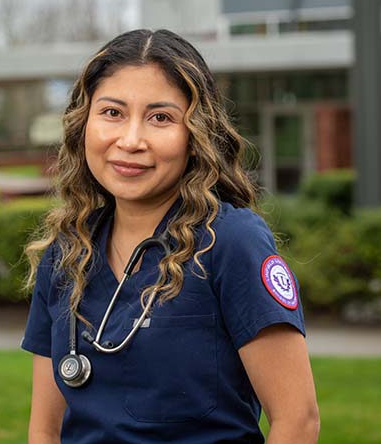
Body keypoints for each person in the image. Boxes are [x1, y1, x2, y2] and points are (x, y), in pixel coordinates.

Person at [20, 29, 320, 444]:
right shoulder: (66, 254)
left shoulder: (230, 243)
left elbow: (298, 420)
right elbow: (44, 430)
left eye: (160, 117)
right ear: (83, 123)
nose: (130, 140)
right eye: (112, 113)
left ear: (195, 137)